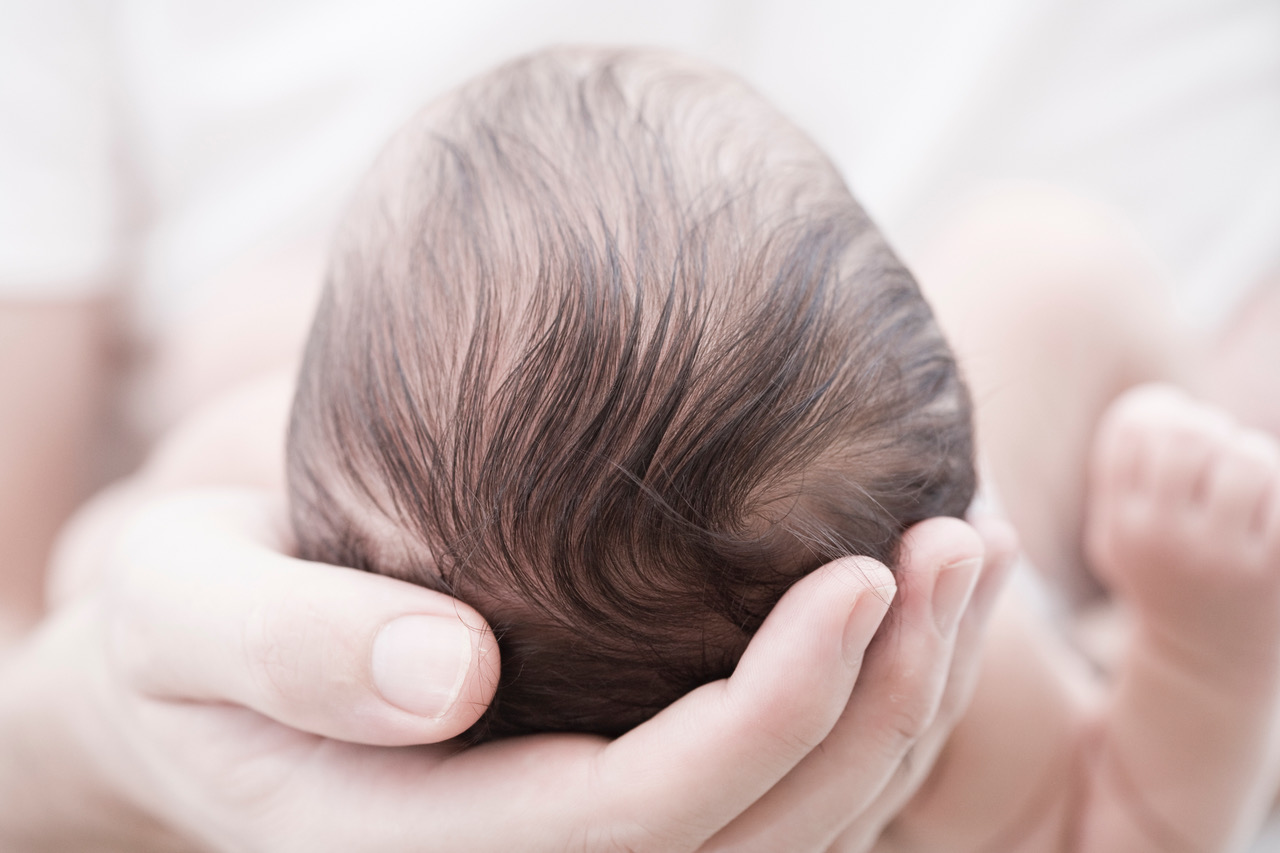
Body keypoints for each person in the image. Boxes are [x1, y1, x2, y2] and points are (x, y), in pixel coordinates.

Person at [282, 47, 1280, 849]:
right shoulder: (940, 707)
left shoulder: (346, 672)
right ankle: (1132, 613)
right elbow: (1127, 827)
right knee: (1048, 262)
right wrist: (1204, 650)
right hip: (1027, 678)